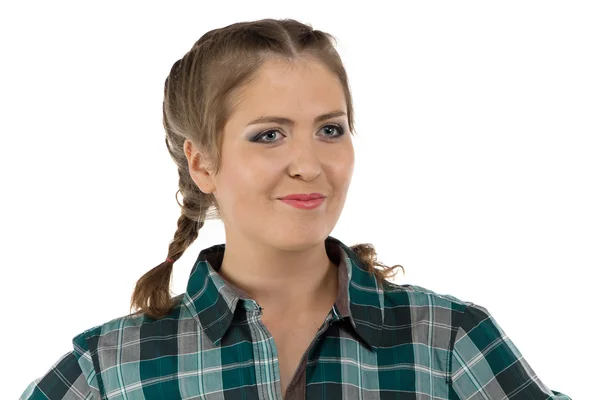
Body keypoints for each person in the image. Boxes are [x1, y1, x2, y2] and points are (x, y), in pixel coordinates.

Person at [20, 18, 570, 400]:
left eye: (330, 130)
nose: (309, 163)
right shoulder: (113, 369)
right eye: (268, 136)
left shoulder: (448, 341)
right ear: (202, 162)